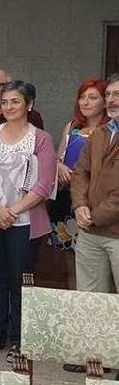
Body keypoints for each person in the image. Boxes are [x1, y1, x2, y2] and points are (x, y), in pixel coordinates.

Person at [0, 81, 56, 361]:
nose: (8, 107)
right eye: (5, 102)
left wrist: (11, 212)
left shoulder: (40, 138)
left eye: (15, 101)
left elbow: (44, 184)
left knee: (21, 279)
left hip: (25, 222)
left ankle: (20, 340)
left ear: (28, 105)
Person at [71, 73, 119, 295]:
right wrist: (80, 205)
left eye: (117, 94)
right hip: (90, 233)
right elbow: (81, 172)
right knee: (90, 304)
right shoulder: (99, 133)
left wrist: (94, 217)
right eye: (108, 94)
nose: (111, 100)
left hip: (112, 231)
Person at [51, 79, 108, 240]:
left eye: (93, 97)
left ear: (104, 102)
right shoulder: (73, 126)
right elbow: (58, 156)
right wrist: (59, 167)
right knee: (64, 245)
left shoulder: (110, 131)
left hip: (95, 197)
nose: (86, 102)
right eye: (82, 97)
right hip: (67, 192)